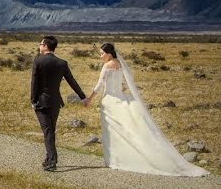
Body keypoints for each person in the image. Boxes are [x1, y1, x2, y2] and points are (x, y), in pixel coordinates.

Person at [83, 43, 209, 176]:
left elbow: (99, 84)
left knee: (113, 131)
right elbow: (124, 84)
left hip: (109, 100)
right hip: (121, 98)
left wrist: (89, 99)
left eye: (102, 53)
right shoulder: (119, 64)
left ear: (108, 53)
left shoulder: (107, 65)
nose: (100, 56)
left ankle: (115, 159)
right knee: (125, 130)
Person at [30, 35, 88, 171]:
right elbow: (71, 81)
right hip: (55, 102)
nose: (39, 46)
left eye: (40, 44)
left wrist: (33, 100)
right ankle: (49, 158)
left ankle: (52, 161)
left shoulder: (38, 61)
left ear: (45, 46)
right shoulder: (62, 63)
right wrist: (82, 96)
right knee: (51, 130)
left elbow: (34, 83)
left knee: (48, 130)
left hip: (41, 102)